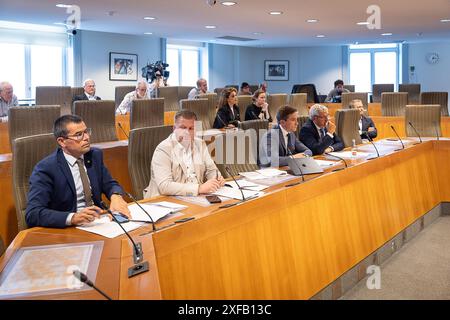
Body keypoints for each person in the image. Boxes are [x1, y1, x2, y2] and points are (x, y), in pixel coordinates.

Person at [25, 115, 130, 228]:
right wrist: (72, 218)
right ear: (62, 141)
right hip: (67, 230)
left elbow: (109, 183)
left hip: (98, 222)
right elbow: (33, 214)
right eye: (79, 135)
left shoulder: (94, 156)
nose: (86, 138)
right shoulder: (46, 168)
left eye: (86, 132)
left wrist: (116, 196)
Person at [144, 110, 225, 198]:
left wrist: (216, 179)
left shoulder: (200, 144)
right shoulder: (163, 149)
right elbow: (164, 186)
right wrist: (198, 189)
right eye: (183, 127)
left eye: (191, 128)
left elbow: (212, 170)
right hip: (167, 200)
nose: (187, 132)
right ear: (174, 128)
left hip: (196, 197)